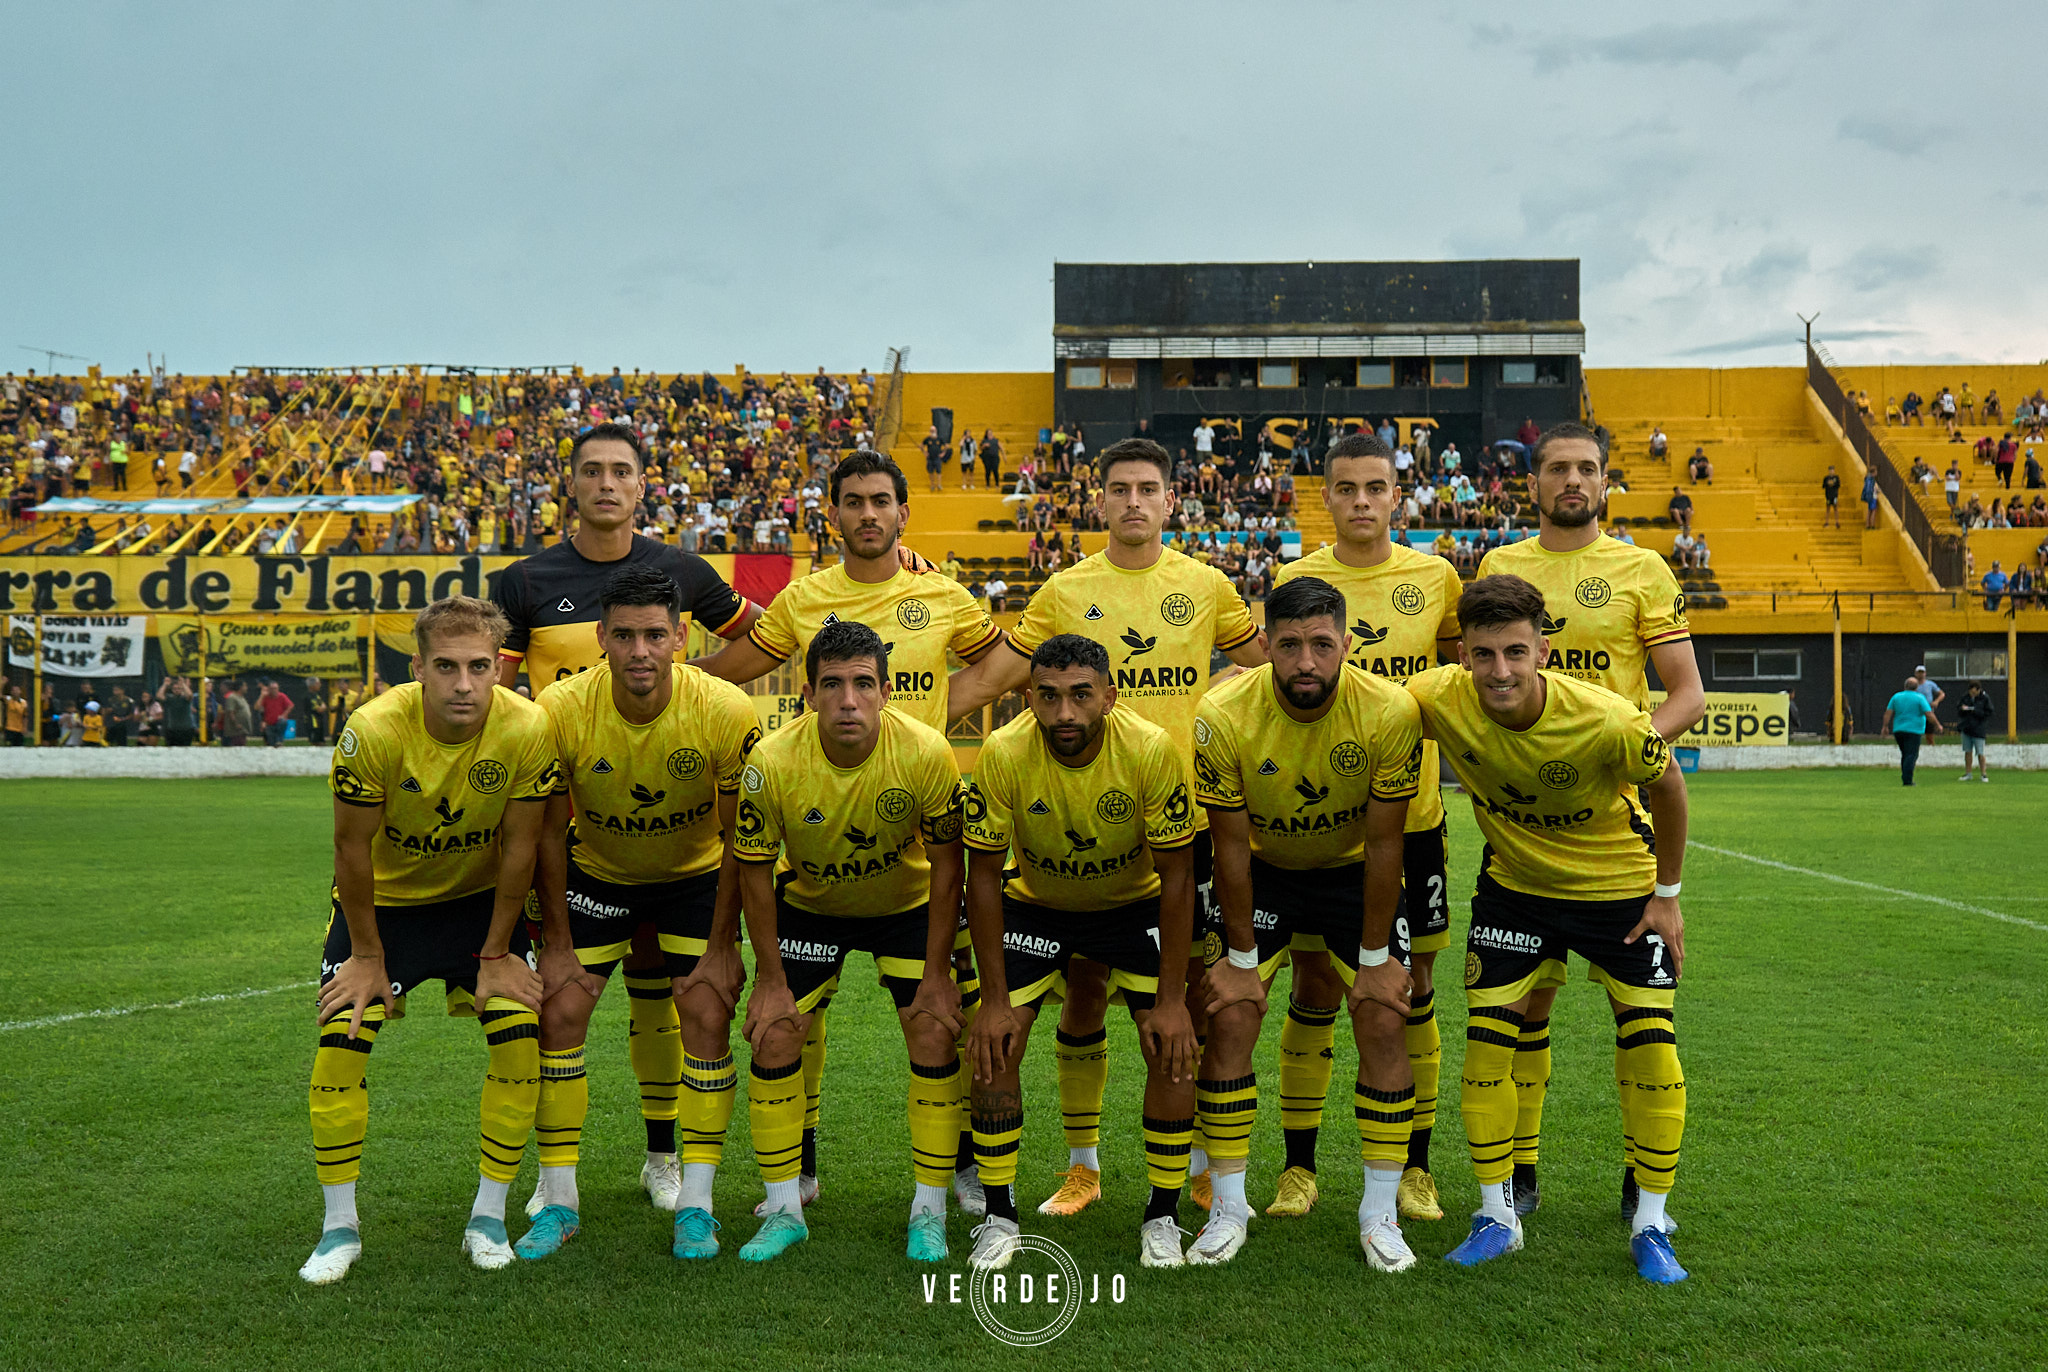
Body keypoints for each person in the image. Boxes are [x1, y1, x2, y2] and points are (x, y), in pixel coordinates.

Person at [946, 437, 1265, 1219]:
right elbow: (1000, 676)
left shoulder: (1206, 584)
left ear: (1171, 500)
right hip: (1074, 815)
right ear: (1098, 501)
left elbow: (1267, 666)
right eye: (1119, 488)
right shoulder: (1065, 589)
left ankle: (1196, 1166)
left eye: (1147, 488)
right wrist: (902, 714)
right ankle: (1082, 1167)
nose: (1133, 501)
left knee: (1186, 1002)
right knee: (1083, 993)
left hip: (1177, 823)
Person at [491, 421, 762, 1212]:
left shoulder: (684, 571)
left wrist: (684, 683)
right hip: (583, 820)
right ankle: (559, 1182)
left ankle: (663, 1159)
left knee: (667, 995)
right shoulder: (524, 581)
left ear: (643, 486)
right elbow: (498, 692)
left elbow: (772, 636)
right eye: (592, 471)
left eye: (621, 471)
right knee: (567, 1000)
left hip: (677, 829)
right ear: (570, 485)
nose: (606, 483)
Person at [1406, 573, 1693, 1284]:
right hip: (1515, 892)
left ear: (1542, 651)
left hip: (1618, 892)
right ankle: (1496, 1217)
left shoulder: (1608, 719)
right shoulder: (1435, 696)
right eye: (1483, 654)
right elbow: (1360, 703)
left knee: (1651, 1045)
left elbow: (1669, 787)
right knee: (1486, 1047)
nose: (1499, 671)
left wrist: (1667, 896)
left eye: (1514, 652)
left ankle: (1651, 1223)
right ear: (1463, 655)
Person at [1475, 421, 1705, 1219]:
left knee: (1636, 1015)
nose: (1573, 481)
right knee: (1522, 1009)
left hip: (1616, 826)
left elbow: (1686, 695)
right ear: (1532, 483)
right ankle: (1520, 1172)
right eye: (1558, 469)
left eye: (1587, 469)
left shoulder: (1642, 569)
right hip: (1523, 831)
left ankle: (1645, 1181)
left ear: (1606, 482)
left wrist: (1622, 751)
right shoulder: (1500, 568)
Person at [300, 595, 558, 1284]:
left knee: (519, 1041)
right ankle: (338, 1228)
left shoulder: (528, 726)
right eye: (445, 666)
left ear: (499, 666)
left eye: (478, 666)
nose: (463, 684)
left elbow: (521, 848)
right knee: (340, 1045)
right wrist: (366, 956)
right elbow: (350, 851)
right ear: (417, 668)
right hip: (383, 912)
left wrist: (497, 954)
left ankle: (488, 1217)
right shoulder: (372, 730)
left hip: (480, 907)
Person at [520, 567, 761, 1261]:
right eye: (624, 635)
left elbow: (740, 839)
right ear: (601, 636)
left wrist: (723, 945)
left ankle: (696, 1205)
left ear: (681, 637)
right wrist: (555, 941)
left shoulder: (724, 710)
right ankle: (558, 1199)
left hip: (694, 879)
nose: (640, 651)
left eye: (655, 635)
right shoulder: (560, 709)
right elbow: (547, 833)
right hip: (600, 874)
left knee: (707, 1012)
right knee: (559, 1010)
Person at [1190, 577, 1426, 1270]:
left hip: (1353, 872)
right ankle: (1228, 1210)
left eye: (1321, 644)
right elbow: (1229, 848)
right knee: (1230, 1017)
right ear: (1264, 645)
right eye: (1289, 644)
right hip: (1264, 870)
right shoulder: (1222, 712)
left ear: (1347, 644)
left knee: (1384, 1018)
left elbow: (1386, 843)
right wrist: (1239, 962)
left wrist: (1377, 957)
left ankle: (1380, 1215)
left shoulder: (1389, 710)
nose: (1305, 662)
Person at [730, 621, 968, 1263]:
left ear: (887, 692)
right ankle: (785, 1210)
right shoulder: (772, 762)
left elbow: (949, 866)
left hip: (906, 907)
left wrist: (937, 974)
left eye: (864, 684)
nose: (848, 700)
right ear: (808, 694)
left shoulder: (925, 752)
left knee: (934, 1030)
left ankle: (929, 1211)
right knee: (776, 1033)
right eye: (832, 685)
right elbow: (753, 870)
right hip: (813, 907)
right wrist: (769, 979)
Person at [1270, 432, 1463, 1222]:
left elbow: (1460, 683)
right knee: (1314, 983)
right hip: (1316, 823)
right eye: (1345, 488)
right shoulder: (1296, 580)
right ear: (1325, 496)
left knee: (1412, 990)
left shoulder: (1436, 577)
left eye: (1374, 487)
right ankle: (1298, 1169)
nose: (1360, 501)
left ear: (1396, 495)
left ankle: (1415, 1169)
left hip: (1412, 821)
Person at [960, 634, 1199, 1270]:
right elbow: (982, 876)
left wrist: (1172, 999)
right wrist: (992, 1001)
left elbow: (1178, 875)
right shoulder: (1003, 751)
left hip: (1133, 907)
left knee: (1171, 1047)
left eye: (1080, 696)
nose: (1064, 712)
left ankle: (1163, 1216)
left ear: (1110, 697)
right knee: (994, 1045)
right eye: (1048, 696)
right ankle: (999, 1216)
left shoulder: (1150, 748)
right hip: (1038, 906)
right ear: (1028, 698)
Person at [1882, 674, 1938, 785]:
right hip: (1914, 730)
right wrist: (1937, 724)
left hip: (1899, 730)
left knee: (1905, 753)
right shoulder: (1919, 698)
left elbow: (1888, 713)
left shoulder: (1896, 697)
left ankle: (1905, 776)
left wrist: (1885, 726)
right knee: (1911, 754)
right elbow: (1928, 713)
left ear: (1905, 686)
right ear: (1916, 687)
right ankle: (1907, 780)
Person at [1955, 680, 1994, 782]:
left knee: (1980, 753)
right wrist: (1962, 709)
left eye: (1974, 692)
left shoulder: (1985, 698)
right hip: (1967, 728)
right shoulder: (1965, 697)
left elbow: (1989, 712)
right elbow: (1958, 709)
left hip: (1979, 729)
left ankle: (1983, 774)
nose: (1972, 694)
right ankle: (1968, 773)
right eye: (1970, 692)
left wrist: (1975, 710)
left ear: (1978, 690)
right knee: (1967, 752)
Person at [259, 679, 294, 747]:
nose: (274, 690)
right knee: (270, 743)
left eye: (275, 688)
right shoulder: (266, 697)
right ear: (269, 689)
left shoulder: (282, 696)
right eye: (272, 689)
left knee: (282, 722)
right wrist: (262, 695)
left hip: (279, 722)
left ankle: (279, 741)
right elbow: (258, 707)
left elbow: (290, 705)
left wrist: (284, 715)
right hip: (268, 723)